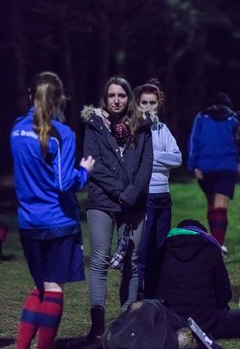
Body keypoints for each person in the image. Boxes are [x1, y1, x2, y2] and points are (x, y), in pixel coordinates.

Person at [10, 71, 95, 349]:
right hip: (57, 221)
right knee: (54, 287)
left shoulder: (16, 129)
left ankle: (22, 347)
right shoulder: (63, 134)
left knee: (40, 286)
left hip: (28, 222)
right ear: (60, 99)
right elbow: (64, 183)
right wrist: (84, 171)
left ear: (30, 95)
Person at [80, 76, 153, 345]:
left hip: (134, 201)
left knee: (131, 262)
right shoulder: (94, 124)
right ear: (105, 98)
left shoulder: (143, 124)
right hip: (102, 199)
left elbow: (147, 163)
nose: (117, 100)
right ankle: (97, 327)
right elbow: (92, 163)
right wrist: (120, 192)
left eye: (121, 95)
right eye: (111, 95)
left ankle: (127, 324)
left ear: (128, 98)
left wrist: (132, 194)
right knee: (100, 260)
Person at [154, 219, 240, 342]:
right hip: (205, 322)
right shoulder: (210, 249)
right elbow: (224, 293)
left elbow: (153, 287)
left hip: (168, 320)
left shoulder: (162, 250)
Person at [135, 78, 182, 298]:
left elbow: (178, 158)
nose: (148, 107)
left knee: (161, 249)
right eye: (144, 102)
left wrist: (153, 156)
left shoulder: (162, 129)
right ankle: (139, 298)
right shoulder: (134, 129)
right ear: (138, 104)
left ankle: (157, 296)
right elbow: (135, 161)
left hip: (164, 198)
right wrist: (159, 159)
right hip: (146, 198)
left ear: (158, 104)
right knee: (143, 252)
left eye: (152, 103)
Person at [188, 92, 240, 253]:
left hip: (205, 168)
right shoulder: (234, 119)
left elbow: (194, 141)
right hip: (227, 167)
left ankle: (216, 245)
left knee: (213, 205)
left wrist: (193, 165)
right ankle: (216, 243)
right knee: (218, 207)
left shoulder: (202, 117)